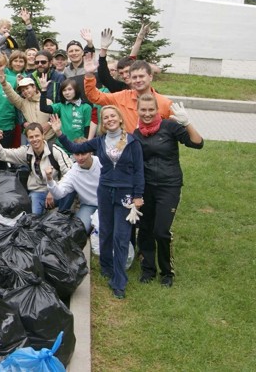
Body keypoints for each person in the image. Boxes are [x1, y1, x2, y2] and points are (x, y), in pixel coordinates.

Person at [51, 107, 145, 299]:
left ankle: (119, 281)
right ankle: (106, 267)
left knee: (121, 235)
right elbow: (76, 148)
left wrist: (138, 195)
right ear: (102, 122)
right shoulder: (100, 141)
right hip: (104, 192)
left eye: (113, 116)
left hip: (124, 194)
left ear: (120, 119)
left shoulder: (133, 142)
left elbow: (138, 171)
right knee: (106, 231)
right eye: (105, 117)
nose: (109, 119)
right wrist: (59, 133)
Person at [133, 95, 203, 287]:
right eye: (143, 110)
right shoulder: (136, 134)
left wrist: (187, 123)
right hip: (146, 187)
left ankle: (167, 272)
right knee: (145, 229)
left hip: (168, 185)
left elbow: (197, 143)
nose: (147, 114)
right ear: (137, 111)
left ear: (157, 110)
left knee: (161, 231)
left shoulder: (170, 127)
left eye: (151, 110)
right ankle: (148, 269)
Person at [0, 123, 72, 215]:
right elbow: (2, 155)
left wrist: (54, 190)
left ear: (43, 136)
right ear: (27, 139)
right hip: (38, 191)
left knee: (70, 191)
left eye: (37, 136)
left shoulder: (55, 151)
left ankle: (62, 216)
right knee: (33, 218)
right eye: (31, 137)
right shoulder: (26, 151)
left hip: (57, 190)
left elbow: (70, 174)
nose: (34, 139)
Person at [83, 55, 173, 133]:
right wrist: (89, 74)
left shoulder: (165, 103)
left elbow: (178, 133)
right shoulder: (122, 97)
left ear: (150, 77)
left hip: (154, 151)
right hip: (129, 148)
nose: (138, 80)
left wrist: (186, 123)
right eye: (134, 77)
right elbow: (95, 96)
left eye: (141, 76)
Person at [45, 138, 100, 232]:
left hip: (106, 204)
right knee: (78, 231)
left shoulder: (102, 163)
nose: (80, 158)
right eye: (77, 154)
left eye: (83, 153)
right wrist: (50, 180)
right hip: (88, 205)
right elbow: (59, 194)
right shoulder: (73, 171)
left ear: (91, 152)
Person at [38, 77, 93, 145]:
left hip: (78, 146)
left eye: (70, 89)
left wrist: (86, 145)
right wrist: (43, 90)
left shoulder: (86, 107)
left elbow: (87, 128)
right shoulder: (61, 106)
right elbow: (44, 108)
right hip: (62, 146)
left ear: (76, 90)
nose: (67, 93)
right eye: (64, 90)